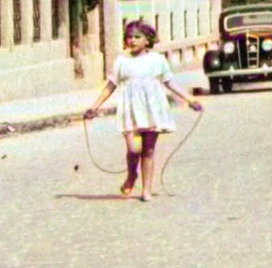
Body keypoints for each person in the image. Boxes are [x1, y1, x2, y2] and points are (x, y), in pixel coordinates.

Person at [84, 20, 202, 201]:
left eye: (137, 37)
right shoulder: (122, 61)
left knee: (148, 151)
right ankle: (132, 175)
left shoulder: (157, 60)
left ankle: (146, 190)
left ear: (147, 40)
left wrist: (190, 99)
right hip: (130, 111)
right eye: (129, 37)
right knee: (133, 149)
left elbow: (169, 82)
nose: (132, 40)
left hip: (152, 110)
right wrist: (95, 106)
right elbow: (111, 86)